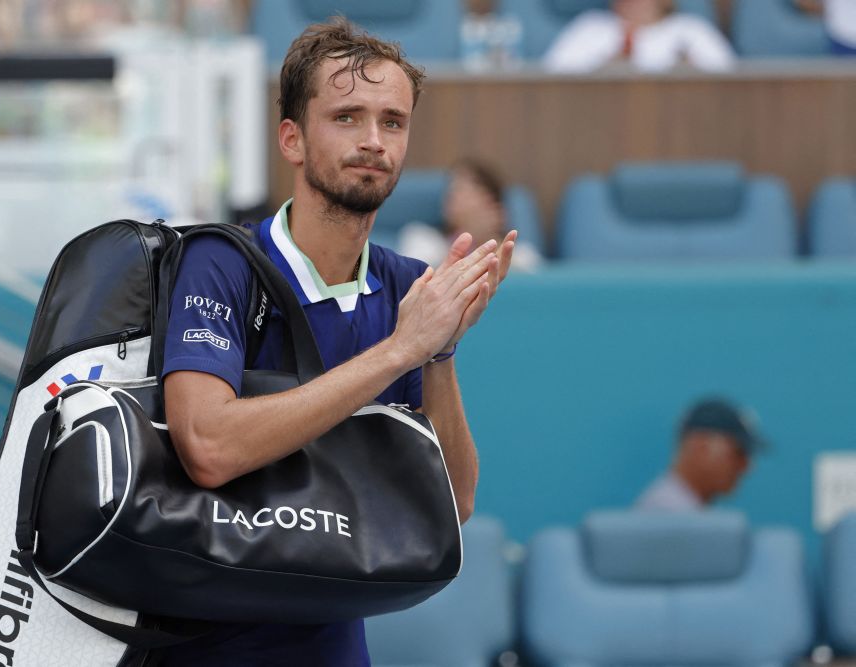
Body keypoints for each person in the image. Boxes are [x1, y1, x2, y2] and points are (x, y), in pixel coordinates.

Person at [154, 17, 516, 666]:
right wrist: (401, 349)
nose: (373, 140)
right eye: (346, 117)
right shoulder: (221, 261)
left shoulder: (410, 287)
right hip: (196, 649)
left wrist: (439, 350)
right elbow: (207, 445)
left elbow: (453, 502)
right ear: (291, 139)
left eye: (392, 121)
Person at [398, 158, 542, 272]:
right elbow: (411, 282)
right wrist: (468, 240)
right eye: (452, 188)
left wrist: (490, 243)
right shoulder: (422, 239)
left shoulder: (522, 255)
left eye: (462, 189)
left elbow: (535, 289)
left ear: (495, 209)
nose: (452, 195)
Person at [636, 397, 767, 511]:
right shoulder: (667, 514)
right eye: (738, 452)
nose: (746, 467)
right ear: (701, 447)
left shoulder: (689, 512)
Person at [543, 0, 736, 74]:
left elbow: (732, 82)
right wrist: (604, 71)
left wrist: (689, 72)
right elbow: (551, 81)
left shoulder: (692, 30)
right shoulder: (590, 27)